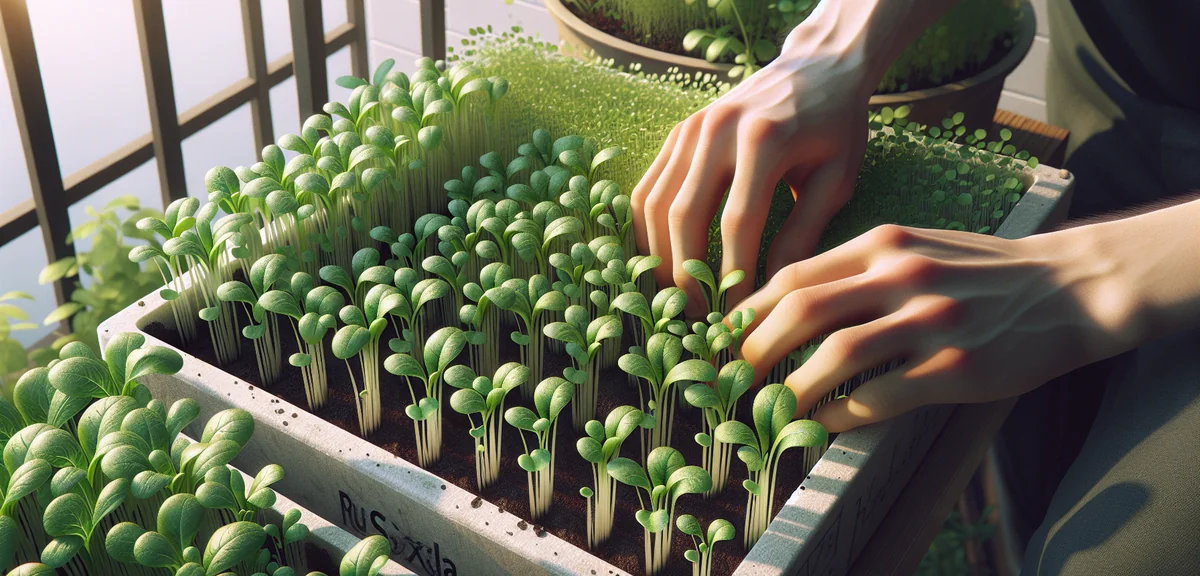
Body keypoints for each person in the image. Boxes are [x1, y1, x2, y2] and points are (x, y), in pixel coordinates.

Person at [630, 0, 1200, 574]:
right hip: (1123, 84)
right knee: (1033, 440)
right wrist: (835, 44)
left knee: (1107, 557)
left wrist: (1097, 273)